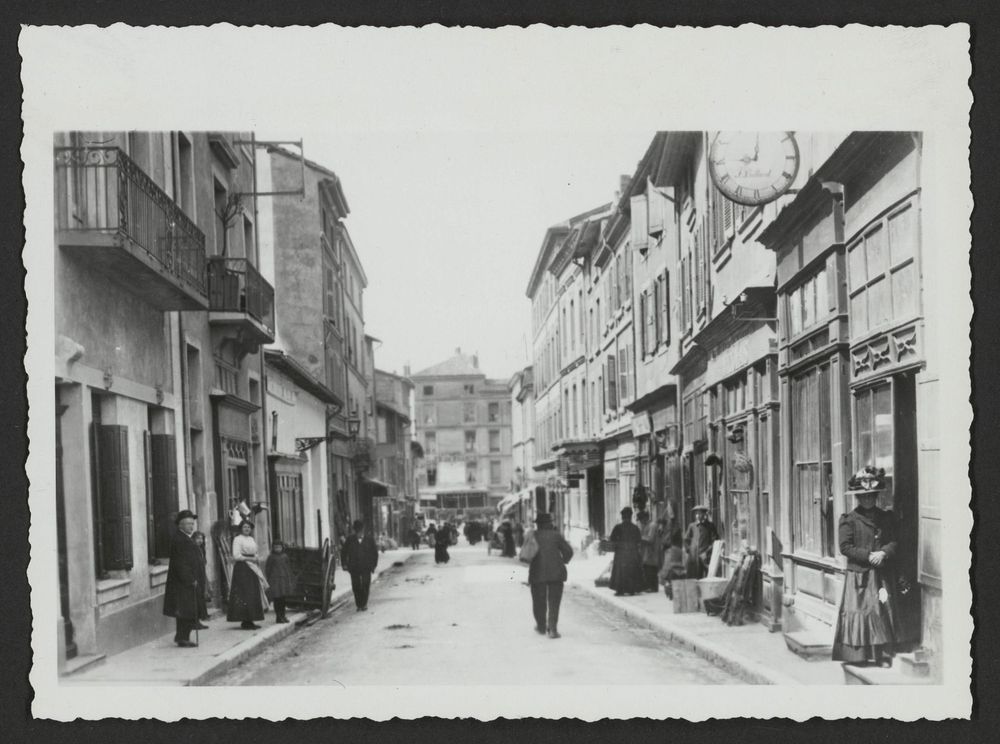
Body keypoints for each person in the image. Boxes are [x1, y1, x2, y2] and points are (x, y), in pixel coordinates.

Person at [832, 467, 907, 667]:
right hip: (860, 577)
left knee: (880, 612)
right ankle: (859, 656)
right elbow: (845, 547)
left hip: (881, 574)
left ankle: (881, 655)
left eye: (871, 497)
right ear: (857, 498)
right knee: (861, 612)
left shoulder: (886, 518)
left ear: (875, 496)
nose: (867, 501)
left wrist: (884, 552)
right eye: (863, 497)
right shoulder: (849, 520)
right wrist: (868, 556)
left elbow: (894, 541)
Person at [162, 510, 209, 647]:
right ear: (180, 525)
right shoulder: (180, 540)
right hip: (184, 583)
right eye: (188, 524)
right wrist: (190, 579)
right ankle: (182, 638)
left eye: (192, 524)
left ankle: (182, 637)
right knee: (186, 611)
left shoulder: (186, 538)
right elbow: (180, 563)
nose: (191, 526)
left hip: (189, 581)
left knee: (188, 610)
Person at [527, 513, 574, 639]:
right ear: (549, 523)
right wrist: (563, 561)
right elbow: (568, 551)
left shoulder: (533, 536)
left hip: (537, 573)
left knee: (538, 601)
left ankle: (541, 626)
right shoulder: (556, 535)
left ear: (538, 524)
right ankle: (552, 629)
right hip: (556, 572)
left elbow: (526, 555)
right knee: (554, 602)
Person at [228, 520, 268, 629]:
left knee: (253, 592)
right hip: (243, 568)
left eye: (249, 527)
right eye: (245, 527)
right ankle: (245, 621)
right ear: (241, 528)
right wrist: (251, 559)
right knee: (245, 593)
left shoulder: (251, 539)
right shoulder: (237, 539)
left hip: (252, 567)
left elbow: (254, 552)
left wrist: (256, 558)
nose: (247, 529)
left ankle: (251, 619)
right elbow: (236, 555)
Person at [341, 519, 379, 611]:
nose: (359, 533)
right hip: (354, 567)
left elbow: (375, 553)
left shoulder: (369, 539)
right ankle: (359, 604)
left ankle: (364, 603)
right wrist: (344, 564)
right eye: (357, 531)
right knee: (356, 585)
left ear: (363, 530)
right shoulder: (350, 539)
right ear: (355, 531)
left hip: (366, 566)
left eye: (361, 531)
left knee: (366, 584)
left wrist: (373, 565)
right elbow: (343, 552)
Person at [608, 507, 645, 596]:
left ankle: (620, 589)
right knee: (632, 570)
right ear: (630, 516)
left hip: (621, 552)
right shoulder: (635, 528)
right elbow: (638, 540)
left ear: (622, 517)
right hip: (632, 552)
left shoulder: (618, 527)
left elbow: (612, 538)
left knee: (620, 571)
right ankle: (631, 589)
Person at [684, 505, 720, 579]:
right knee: (694, 578)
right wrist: (690, 551)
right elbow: (686, 540)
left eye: (700, 514)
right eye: (696, 514)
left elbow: (715, 541)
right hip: (694, 558)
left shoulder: (710, 526)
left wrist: (706, 553)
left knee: (706, 578)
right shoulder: (692, 526)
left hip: (706, 557)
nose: (698, 516)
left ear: (704, 515)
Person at [264, 540, 294, 623]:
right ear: (273, 548)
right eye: (276, 547)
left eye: (279, 547)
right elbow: (268, 569)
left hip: (283, 580)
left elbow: (288, 568)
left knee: (283, 599)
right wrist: (269, 579)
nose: (278, 549)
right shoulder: (271, 557)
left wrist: (288, 578)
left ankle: (283, 615)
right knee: (277, 599)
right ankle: (278, 617)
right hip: (275, 580)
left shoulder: (285, 556)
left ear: (282, 548)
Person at [658, 529, 687, 599]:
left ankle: (669, 589)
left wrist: (662, 576)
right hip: (680, 573)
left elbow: (666, 565)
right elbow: (685, 563)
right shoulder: (681, 551)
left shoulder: (669, 551)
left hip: (672, 573)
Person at [638, 511, 661, 592]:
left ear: (645, 518)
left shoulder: (652, 525)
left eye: (641, 520)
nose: (641, 522)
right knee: (648, 568)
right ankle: (650, 587)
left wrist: (640, 538)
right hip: (648, 551)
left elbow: (650, 539)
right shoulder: (647, 525)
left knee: (651, 569)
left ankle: (653, 587)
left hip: (652, 550)